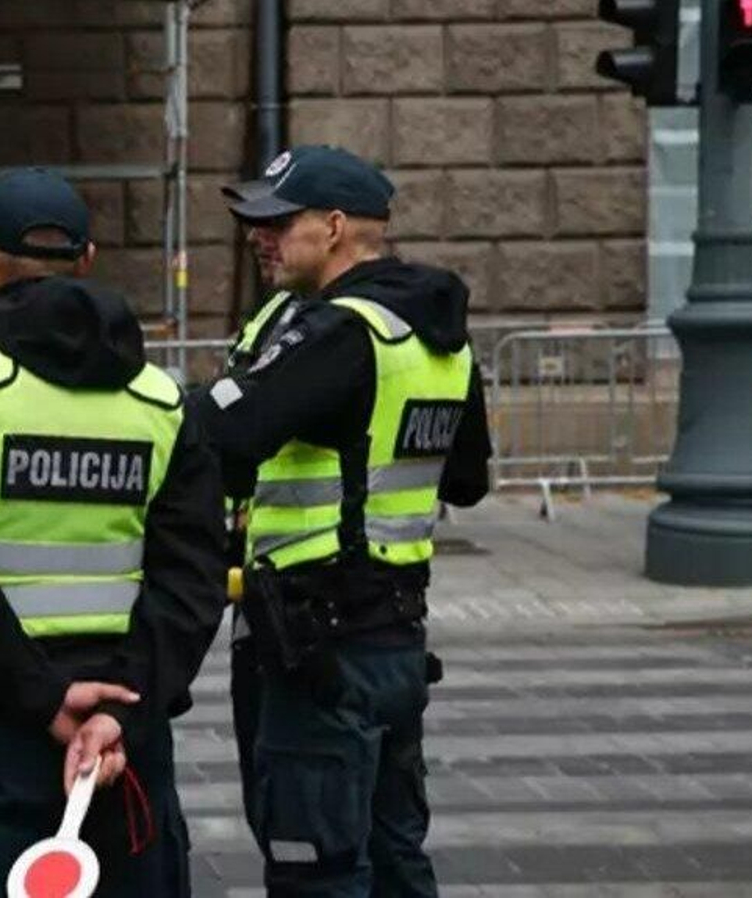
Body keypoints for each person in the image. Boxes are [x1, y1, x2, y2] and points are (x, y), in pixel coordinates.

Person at [0, 168, 228, 897]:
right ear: (88, 258)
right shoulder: (163, 402)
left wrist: (44, 699)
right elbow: (194, 578)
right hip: (122, 734)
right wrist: (120, 710)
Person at [192, 145, 493, 897]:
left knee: (314, 870)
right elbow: (467, 479)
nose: (257, 236)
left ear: (332, 227)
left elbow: (223, 432)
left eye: (276, 222)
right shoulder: (434, 337)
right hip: (395, 640)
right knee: (394, 859)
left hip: (317, 646)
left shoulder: (339, 332)